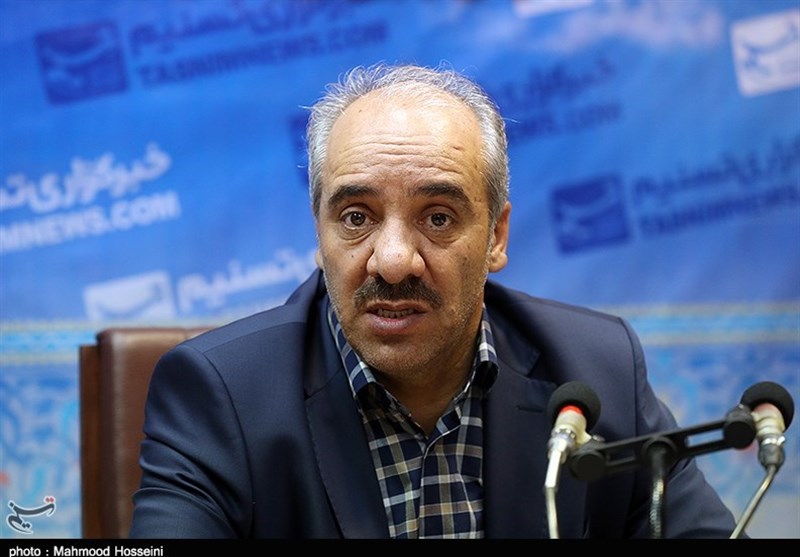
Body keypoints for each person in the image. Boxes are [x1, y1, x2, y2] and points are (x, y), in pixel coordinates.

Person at [129, 62, 741, 539]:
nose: (394, 260)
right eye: (356, 216)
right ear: (319, 234)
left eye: (439, 217)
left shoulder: (597, 371)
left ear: (496, 237)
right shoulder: (221, 396)